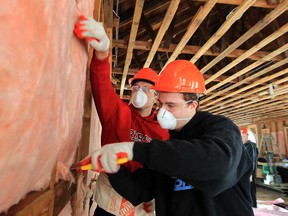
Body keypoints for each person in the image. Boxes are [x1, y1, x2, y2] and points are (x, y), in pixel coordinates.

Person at [89, 60, 254, 216]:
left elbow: (218, 166)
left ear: (192, 105)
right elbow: (139, 191)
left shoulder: (221, 129)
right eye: (160, 104)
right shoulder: (169, 146)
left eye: (171, 105)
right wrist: (114, 169)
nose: (162, 111)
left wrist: (135, 150)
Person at [74, 15, 169, 216]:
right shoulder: (118, 113)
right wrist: (102, 53)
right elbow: (101, 85)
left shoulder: (164, 129)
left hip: (142, 203)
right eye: (135, 87)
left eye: (145, 89)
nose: (139, 93)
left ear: (156, 97)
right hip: (110, 201)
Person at [240, 127, 258, 208]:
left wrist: (250, 174)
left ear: (247, 135)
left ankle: (253, 206)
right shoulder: (243, 146)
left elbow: (253, 160)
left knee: (251, 190)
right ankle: (248, 205)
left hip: (249, 173)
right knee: (246, 190)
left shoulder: (251, 145)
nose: (242, 137)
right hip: (244, 172)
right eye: (240, 135)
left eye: (243, 135)